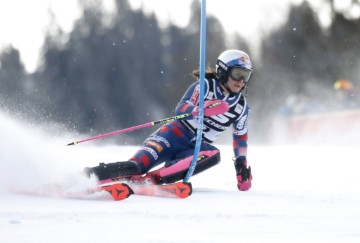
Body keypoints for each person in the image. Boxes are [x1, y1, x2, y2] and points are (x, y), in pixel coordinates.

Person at [87, 49, 253, 191]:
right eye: (237, 74)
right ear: (223, 71)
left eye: (245, 76)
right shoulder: (204, 86)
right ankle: (86, 177)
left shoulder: (241, 107)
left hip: (194, 148)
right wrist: (199, 110)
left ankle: (153, 180)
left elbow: (240, 138)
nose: (241, 81)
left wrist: (241, 167)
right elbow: (181, 108)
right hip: (172, 136)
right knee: (136, 167)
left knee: (213, 154)